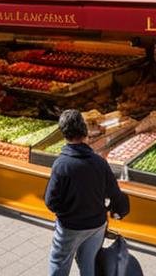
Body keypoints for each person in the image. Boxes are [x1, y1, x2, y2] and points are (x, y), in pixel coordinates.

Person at [45, 109, 130, 276]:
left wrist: (66, 212)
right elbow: (114, 193)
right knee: (88, 263)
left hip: (70, 226)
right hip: (96, 224)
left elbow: (51, 201)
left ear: (63, 133)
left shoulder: (62, 165)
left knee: (59, 262)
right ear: (85, 132)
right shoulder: (99, 162)